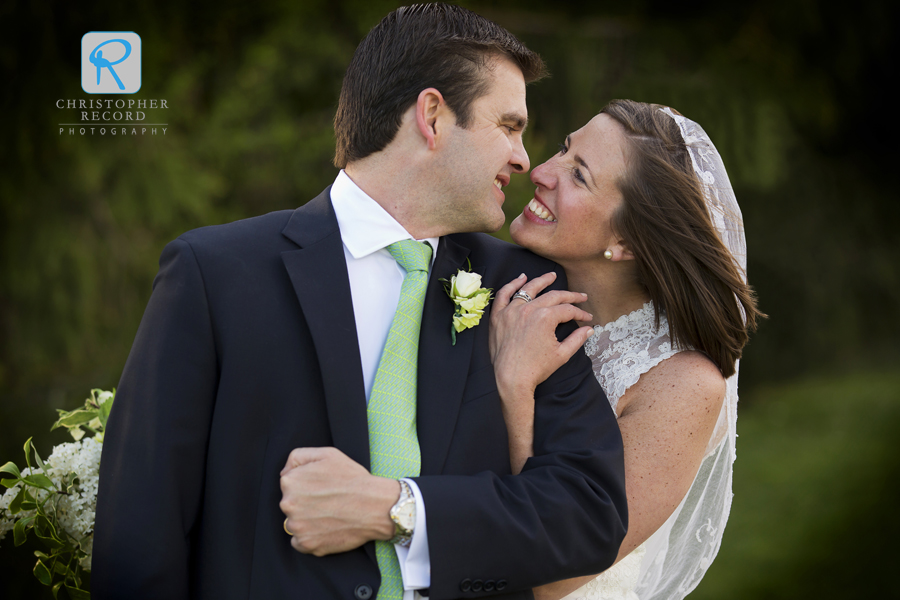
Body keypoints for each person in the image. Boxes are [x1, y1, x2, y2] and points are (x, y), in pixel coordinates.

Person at [91, 5, 628, 600]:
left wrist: (401, 509)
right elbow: (139, 539)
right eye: (508, 126)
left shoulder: (525, 292)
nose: (524, 159)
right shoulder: (215, 275)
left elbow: (589, 513)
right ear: (432, 116)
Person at [489, 99, 762, 600]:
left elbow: (556, 577)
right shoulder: (507, 292)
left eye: (579, 175)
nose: (541, 171)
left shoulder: (682, 385)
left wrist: (516, 387)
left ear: (628, 240)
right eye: (563, 149)